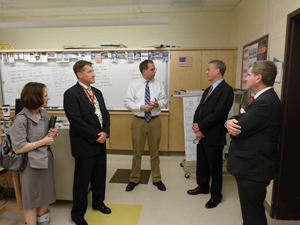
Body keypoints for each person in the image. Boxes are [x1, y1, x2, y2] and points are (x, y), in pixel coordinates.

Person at [226, 60, 282, 225]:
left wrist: (232, 123)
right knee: (251, 213)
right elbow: (241, 118)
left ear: (258, 78)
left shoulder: (265, 102)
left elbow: (239, 129)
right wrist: (229, 122)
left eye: (249, 75)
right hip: (252, 166)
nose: (246, 79)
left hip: (253, 168)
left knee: (253, 217)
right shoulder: (262, 99)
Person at [63, 60, 111, 225]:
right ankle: (77, 214)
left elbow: (105, 113)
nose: (94, 74)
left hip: (100, 142)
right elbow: (76, 121)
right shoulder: (71, 94)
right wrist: (96, 135)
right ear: (80, 74)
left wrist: (105, 132)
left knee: (99, 176)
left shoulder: (97, 92)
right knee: (82, 181)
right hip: (84, 144)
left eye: (93, 70)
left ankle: (98, 203)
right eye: (90, 71)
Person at [187, 60, 234, 209]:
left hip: (213, 134)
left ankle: (216, 195)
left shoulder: (226, 90)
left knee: (214, 167)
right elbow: (199, 109)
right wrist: (196, 127)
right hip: (202, 133)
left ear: (218, 71)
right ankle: (202, 186)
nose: (206, 72)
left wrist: (200, 126)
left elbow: (218, 114)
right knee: (202, 163)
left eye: (209, 69)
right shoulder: (209, 89)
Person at [10, 82, 58, 225]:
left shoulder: (43, 113)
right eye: (45, 95)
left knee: (45, 195)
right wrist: (43, 141)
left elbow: (43, 136)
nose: (48, 98)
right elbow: (18, 148)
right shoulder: (21, 119)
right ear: (35, 97)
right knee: (31, 199)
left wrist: (51, 134)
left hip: (45, 160)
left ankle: (43, 222)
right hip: (30, 164)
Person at [124, 59, 168, 192]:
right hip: (139, 121)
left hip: (154, 120)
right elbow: (127, 102)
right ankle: (134, 179)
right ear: (144, 71)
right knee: (137, 152)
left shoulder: (158, 83)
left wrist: (157, 104)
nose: (155, 71)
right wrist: (141, 107)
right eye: (152, 69)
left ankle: (157, 179)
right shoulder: (134, 84)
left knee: (155, 152)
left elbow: (164, 100)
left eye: (155, 69)